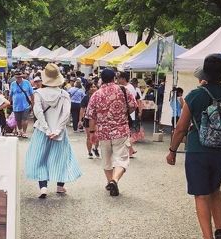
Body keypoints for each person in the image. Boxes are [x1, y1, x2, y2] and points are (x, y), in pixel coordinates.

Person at [166, 54, 221, 239]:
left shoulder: (194, 95)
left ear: (205, 73)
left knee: (201, 193)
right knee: (215, 189)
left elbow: (181, 128)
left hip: (198, 150)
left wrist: (172, 151)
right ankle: (220, 230)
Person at [25, 63, 81, 198]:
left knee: (40, 158)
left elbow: (38, 112)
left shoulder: (38, 93)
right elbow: (66, 114)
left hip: (41, 131)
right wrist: (57, 130)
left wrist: (46, 129)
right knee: (61, 158)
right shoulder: (64, 94)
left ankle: (43, 187)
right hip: (59, 132)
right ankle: (60, 187)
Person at [85, 67, 137, 197]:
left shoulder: (96, 94)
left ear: (101, 79)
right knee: (122, 159)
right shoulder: (122, 90)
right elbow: (133, 105)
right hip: (121, 130)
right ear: (114, 78)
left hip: (103, 132)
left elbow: (90, 115)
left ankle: (110, 182)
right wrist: (124, 114)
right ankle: (115, 180)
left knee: (106, 160)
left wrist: (92, 132)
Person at [9, 71, 34, 137]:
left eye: (19, 77)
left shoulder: (27, 82)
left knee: (24, 119)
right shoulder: (13, 84)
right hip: (16, 105)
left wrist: (32, 103)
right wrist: (9, 102)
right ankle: (20, 130)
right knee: (18, 120)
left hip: (25, 105)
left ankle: (24, 132)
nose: (18, 78)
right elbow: (10, 95)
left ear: (22, 76)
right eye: (17, 77)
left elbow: (31, 93)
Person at [80, 82, 99, 158]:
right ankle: (89, 152)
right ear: (88, 89)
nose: (93, 88)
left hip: (97, 119)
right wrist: (80, 120)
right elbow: (82, 108)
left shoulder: (99, 97)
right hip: (87, 119)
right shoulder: (86, 98)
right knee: (89, 136)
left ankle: (96, 148)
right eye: (91, 87)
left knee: (97, 136)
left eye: (94, 86)